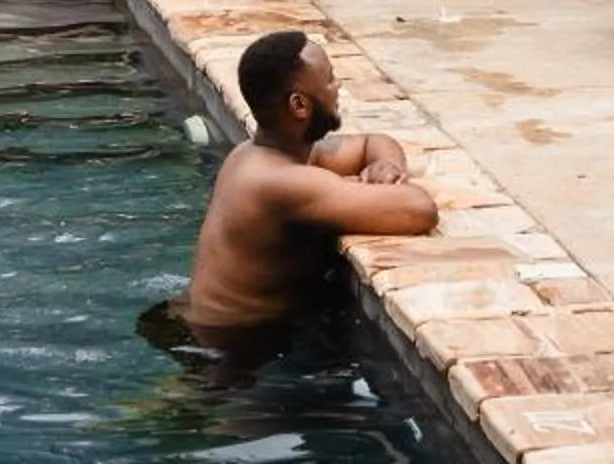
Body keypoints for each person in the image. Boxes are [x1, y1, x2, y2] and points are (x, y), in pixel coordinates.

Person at [169, 29, 437, 373]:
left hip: (198, 324)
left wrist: (386, 166)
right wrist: (366, 184)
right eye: (329, 80)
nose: (337, 87)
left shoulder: (261, 154)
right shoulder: (281, 182)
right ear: (299, 104)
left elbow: (373, 141)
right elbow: (418, 209)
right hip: (227, 349)